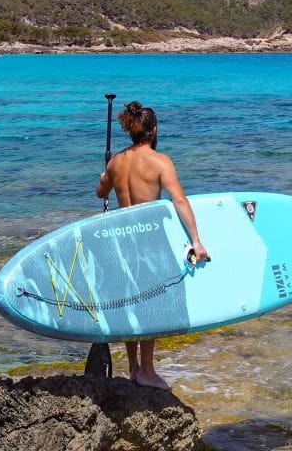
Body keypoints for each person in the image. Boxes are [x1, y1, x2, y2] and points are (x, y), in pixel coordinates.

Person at [96, 101, 209, 390]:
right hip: (149, 242)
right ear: (154, 130)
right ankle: (146, 370)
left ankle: (133, 367)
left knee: (131, 300)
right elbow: (179, 201)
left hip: (121, 242)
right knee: (151, 303)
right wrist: (196, 241)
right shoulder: (160, 162)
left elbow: (101, 193)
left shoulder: (116, 162)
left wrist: (102, 179)